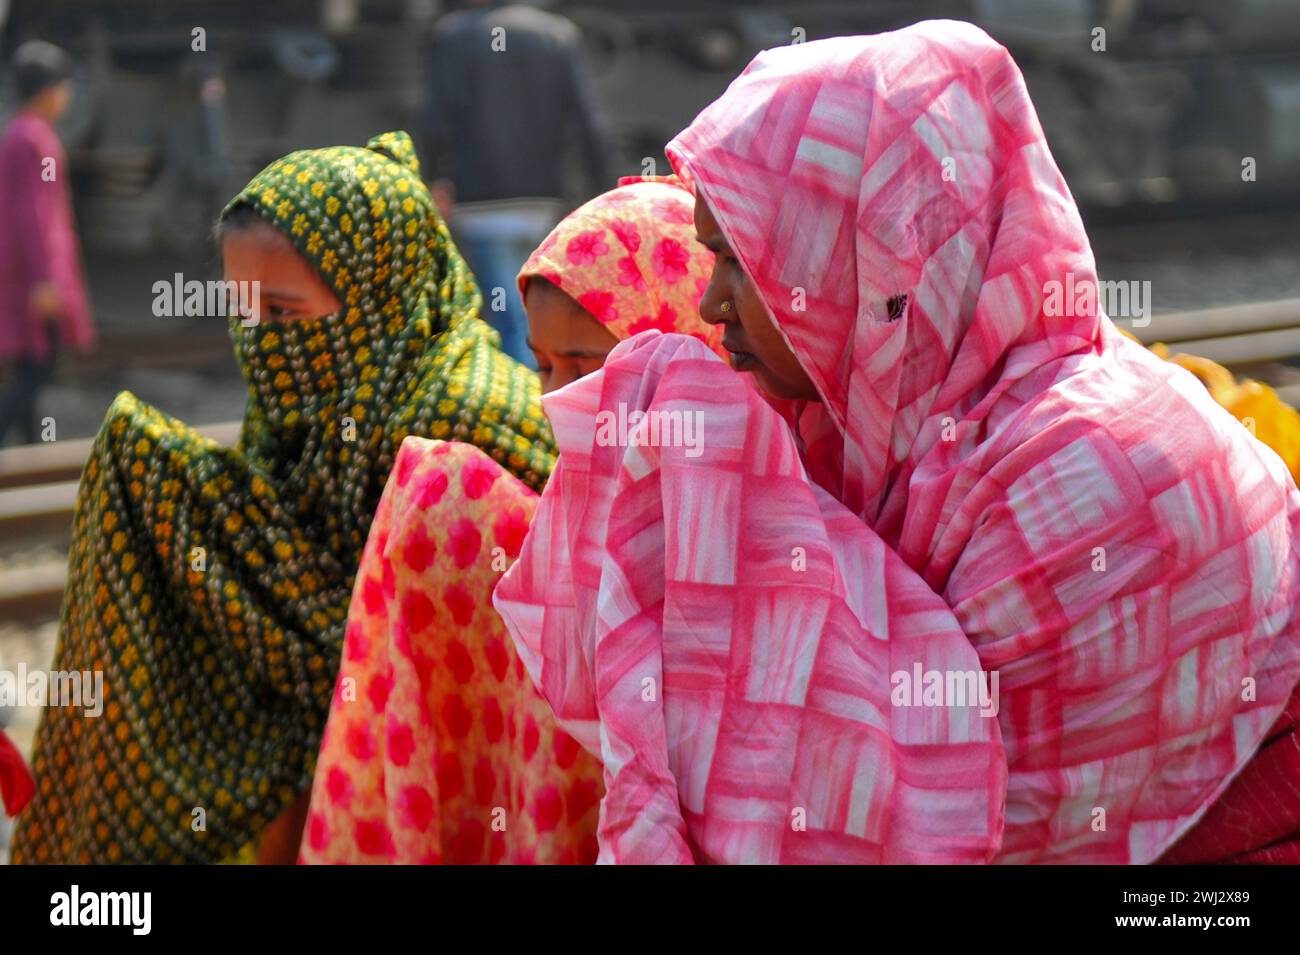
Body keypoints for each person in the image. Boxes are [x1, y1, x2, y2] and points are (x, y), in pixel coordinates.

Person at [493, 22, 1300, 863]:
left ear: (882, 253)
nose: (710, 305)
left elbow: (957, 824)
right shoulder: (860, 430)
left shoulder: (1099, 475)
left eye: (742, 260)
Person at [10, 131, 555, 864]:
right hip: (351, 709)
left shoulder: (471, 416)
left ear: (377, 292)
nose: (261, 341)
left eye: (284, 314)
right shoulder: (312, 394)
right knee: (138, 460)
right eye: (245, 313)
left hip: (456, 765)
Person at [299, 175, 723, 863]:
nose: (554, 397)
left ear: (682, 333)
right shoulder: (569, 501)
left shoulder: (757, 514)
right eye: (542, 365)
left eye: (582, 364)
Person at [424, 0, 613, 368]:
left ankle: (527, 412)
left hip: (481, 206)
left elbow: (437, 120)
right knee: (535, 314)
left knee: (510, 320)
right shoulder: (557, 33)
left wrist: (430, 178)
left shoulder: (454, 37)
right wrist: (604, 192)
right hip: (542, 205)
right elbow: (589, 122)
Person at [0, 39, 94, 447]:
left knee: (30, 363)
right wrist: (46, 278)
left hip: (22, 270)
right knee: (39, 364)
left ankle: (29, 456)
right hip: (34, 275)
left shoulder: (17, 134)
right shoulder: (37, 141)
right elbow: (38, 214)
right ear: (50, 90)